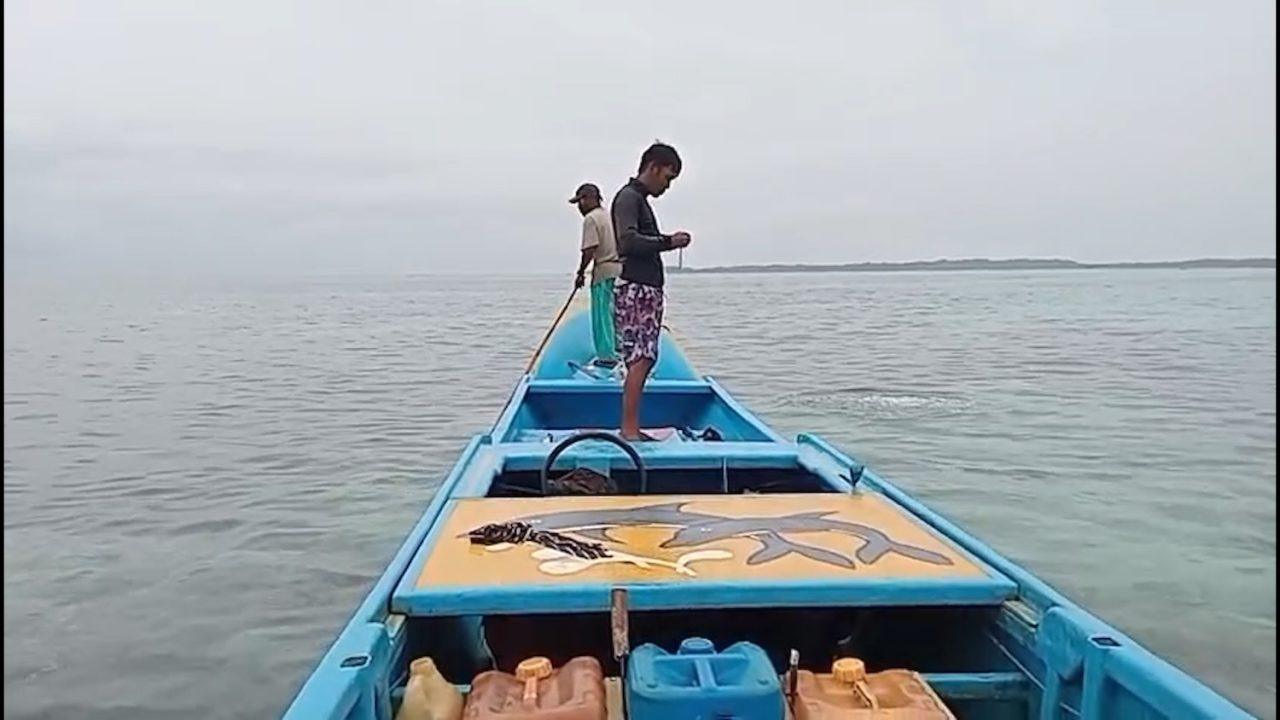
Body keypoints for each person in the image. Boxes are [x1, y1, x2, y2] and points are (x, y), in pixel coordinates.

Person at [611, 142, 692, 441]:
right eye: (667, 178)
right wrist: (669, 241)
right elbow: (628, 243)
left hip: (645, 290)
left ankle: (630, 427)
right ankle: (629, 430)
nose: (667, 186)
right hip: (637, 290)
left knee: (643, 357)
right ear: (653, 167)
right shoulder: (628, 198)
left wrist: (664, 241)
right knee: (640, 357)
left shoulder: (638, 200)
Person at [569, 182, 621, 366]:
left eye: (581, 201)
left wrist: (580, 273)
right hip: (620, 272)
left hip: (604, 271)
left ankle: (607, 357)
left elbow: (590, 249)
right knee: (616, 313)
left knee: (602, 315)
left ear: (590, 199)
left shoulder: (591, 219)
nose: (579, 207)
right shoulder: (609, 216)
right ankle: (619, 350)